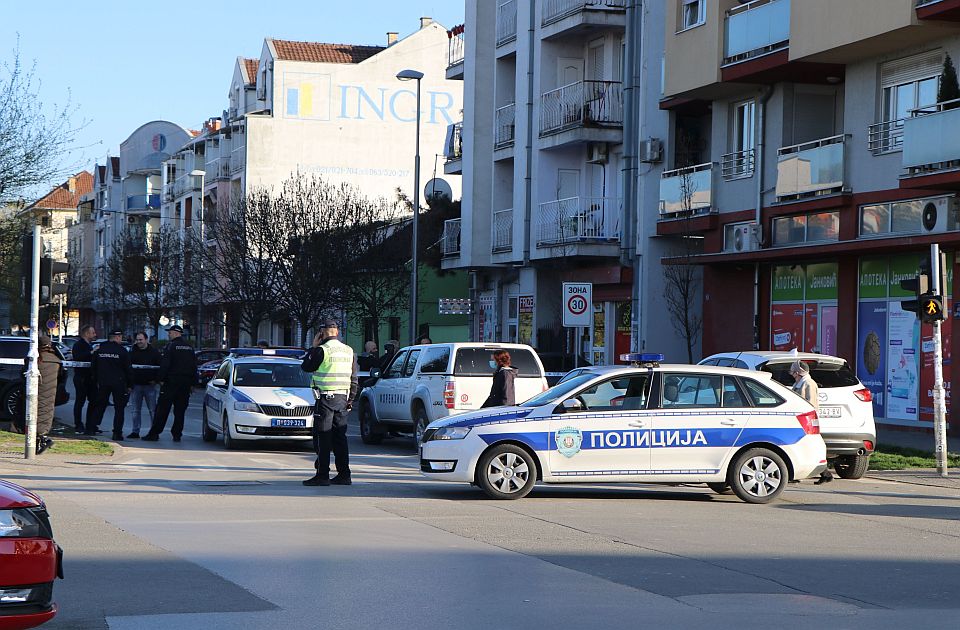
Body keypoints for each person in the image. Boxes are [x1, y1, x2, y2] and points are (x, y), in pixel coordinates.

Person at [300, 320, 358, 487]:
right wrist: (351, 399)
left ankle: (322, 475)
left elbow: (306, 367)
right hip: (342, 399)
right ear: (337, 332)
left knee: (323, 437)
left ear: (322, 333)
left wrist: (313, 347)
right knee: (340, 438)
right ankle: (344, 474)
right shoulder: (348, 351)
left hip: (325, 399)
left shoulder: (321, 350)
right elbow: (353, 378)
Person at [143, 325, 197, 443]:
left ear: (176, 333)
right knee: (180, 411)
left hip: (171, 382)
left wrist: (160, 379)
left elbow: (165, 364)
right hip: (185, 383)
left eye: (170, 332)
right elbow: (194, 366)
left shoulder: (171, 346)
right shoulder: (189, 347)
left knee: (162, 409)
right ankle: (177, 435)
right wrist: (193, 383)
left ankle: (154, 433)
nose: (168, 334)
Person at [790, 360, 833, 485]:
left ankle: (825, 474)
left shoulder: (808, 383)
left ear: (798, 372)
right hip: (799, 420)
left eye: (793, 371)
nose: (791, 373)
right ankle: (825, 474)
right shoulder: (799, 382)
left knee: (808, 447)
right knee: (802, 447)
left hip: (806, 421)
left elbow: (811, 404)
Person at [87, 328, 132, 440]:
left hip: (103, 382)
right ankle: (117, 432)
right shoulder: (122, 351)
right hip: (119, 383)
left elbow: (93, 366)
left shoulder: (100, 349)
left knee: (100, 405)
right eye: (120, 337)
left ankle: (92, 427)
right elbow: (128, 369)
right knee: (119, 408)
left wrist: (96, 380)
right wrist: (130, 385)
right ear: (117, 337)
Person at [128, 331, 161, 439]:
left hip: (150, 385)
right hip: (136, 385)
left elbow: (160, 367)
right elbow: (128, 368)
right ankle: (135, 431)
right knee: (135, 410)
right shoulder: (132, 352)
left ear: (146, 340)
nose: (138, 342)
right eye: (137, 340)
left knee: (152, 410)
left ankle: (154, 432)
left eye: (141, 340)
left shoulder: (154, 352)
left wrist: (156, 380)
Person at [35, 335, 61, 454]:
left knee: (33, 415)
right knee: (46, 412)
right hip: (51, 392)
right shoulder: (56, 359)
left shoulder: (36, 359)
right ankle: (42, 438)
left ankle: (42, 440)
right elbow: (61, 377)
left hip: (36, 391)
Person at [72, 325, 98, 433]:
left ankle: (90, 424)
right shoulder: (79, 345)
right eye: (93, 332)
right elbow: (78, 357)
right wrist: (91, 353)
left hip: (90, 378)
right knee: (80, 401)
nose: (95, 334)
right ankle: (78, 424)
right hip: (81, 378)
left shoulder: (89, 345)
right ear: (87, 334)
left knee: (94, 401)